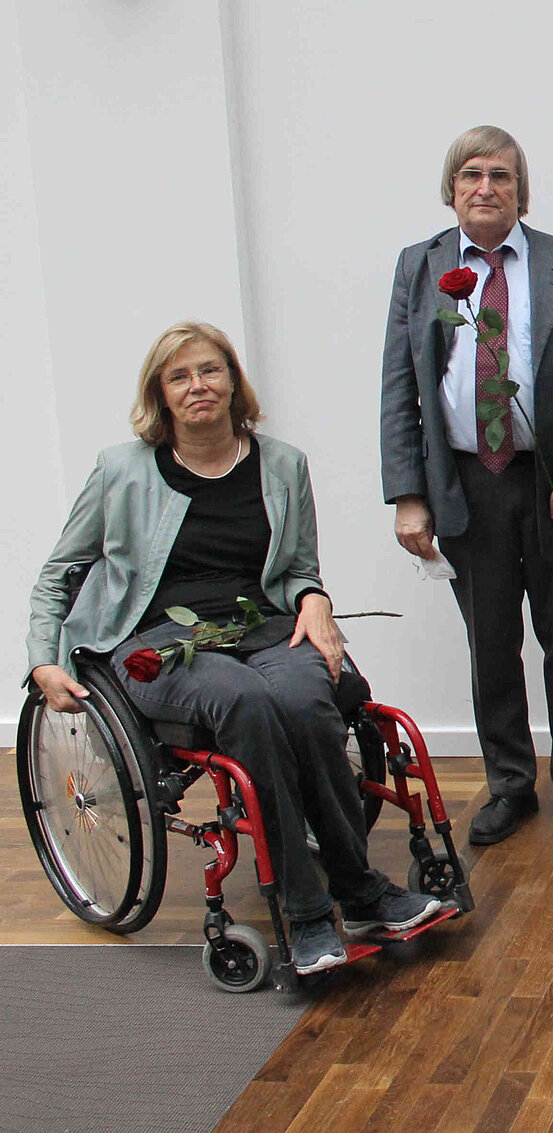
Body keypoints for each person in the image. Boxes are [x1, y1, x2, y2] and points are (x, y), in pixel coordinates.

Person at [27, 322, 443, 975]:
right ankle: (305, 915)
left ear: (232, 381)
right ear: (160, 393)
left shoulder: (282, 463)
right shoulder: (120, 470)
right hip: (158, 642)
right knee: (246, 701)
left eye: (211, 370)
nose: (199, 386)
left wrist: (314, 599)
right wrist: (43, 659)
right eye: (180, 375)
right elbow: (60, 571)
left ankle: (362, 895)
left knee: (308, 696)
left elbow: (300, 565)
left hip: (264, 625)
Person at [381, 125, 553, 846]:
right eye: (471, 175)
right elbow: (401, 383)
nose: (486, 187)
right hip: (466, 483)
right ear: (451, 189)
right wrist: (408, 492)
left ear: (521, 189)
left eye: (500, 175)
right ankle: (509, 783)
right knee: (490, 642)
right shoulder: (419, 267)